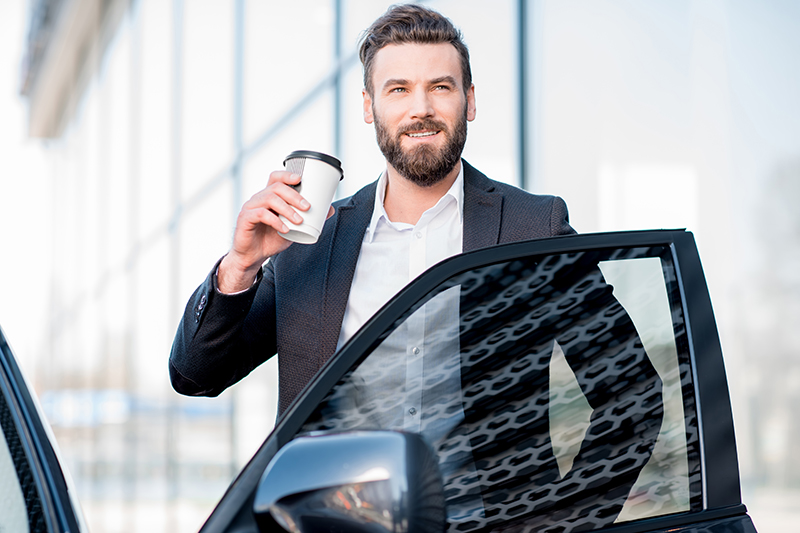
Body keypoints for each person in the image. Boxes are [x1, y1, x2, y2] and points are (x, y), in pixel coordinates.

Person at [170, 5, 662, 530]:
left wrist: (561, 523)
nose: (421, 108)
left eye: (441, 87)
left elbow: (632, 394)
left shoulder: (531, 227)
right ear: (369, 106)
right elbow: (195, 376)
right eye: (398, 89)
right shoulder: (313, 240)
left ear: (469, 101)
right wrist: (240, 265)